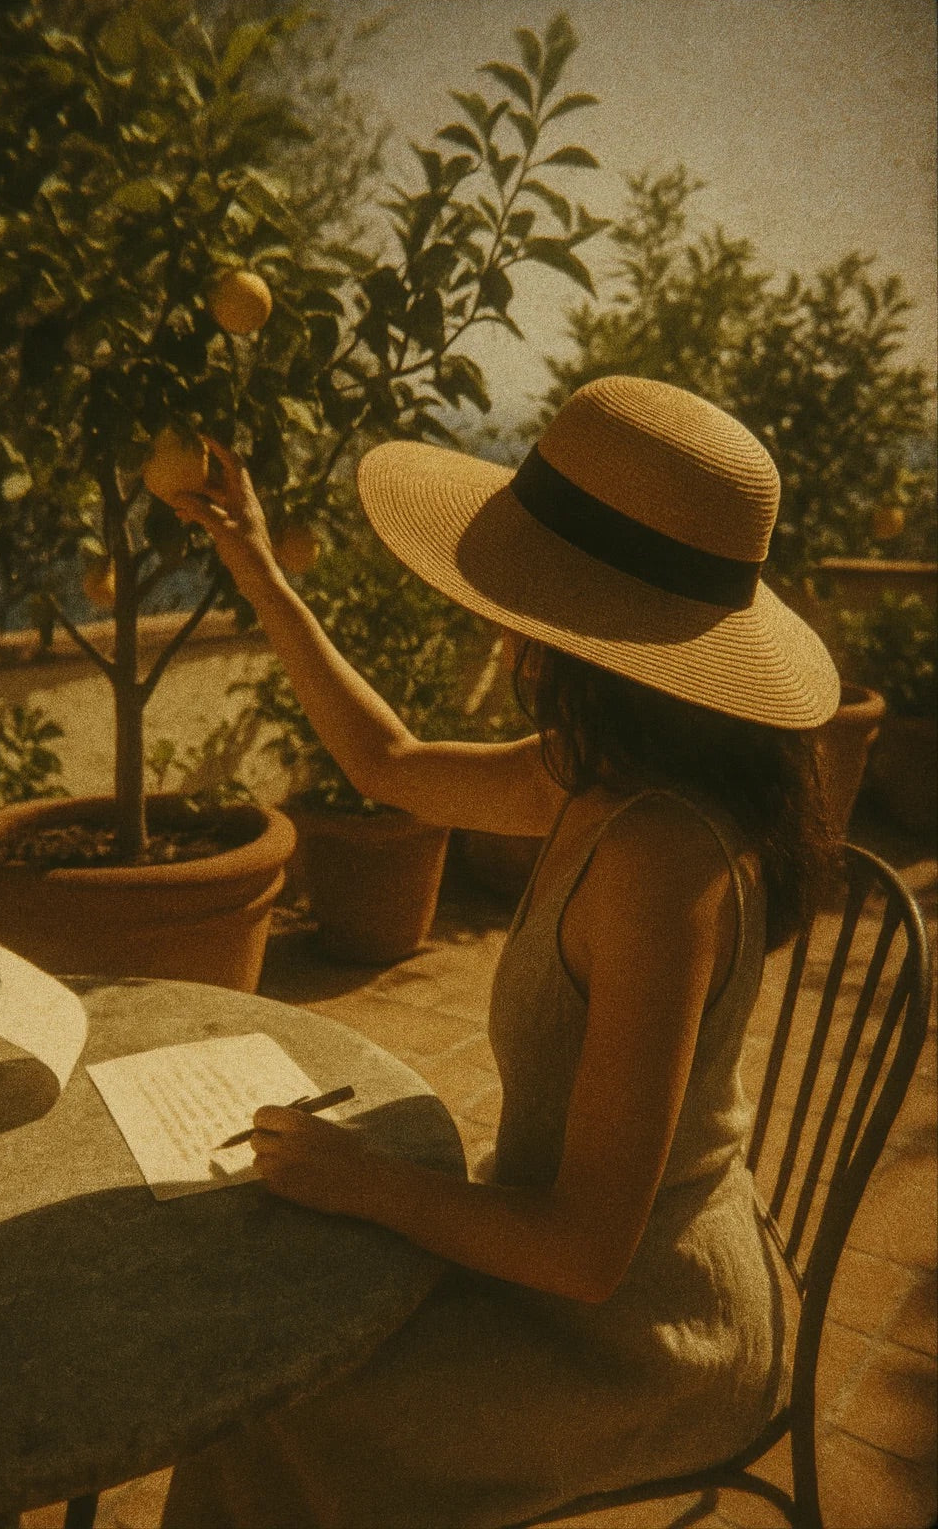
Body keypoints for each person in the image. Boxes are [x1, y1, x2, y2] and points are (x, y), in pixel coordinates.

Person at [159, 375, 841, 1529]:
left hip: (640, 1333)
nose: (501, 611)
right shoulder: (589, 771)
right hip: (558, 1267)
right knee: (264, 1356)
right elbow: (389, 763)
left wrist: (367, 1182)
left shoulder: (658, 859)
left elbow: (584, 1252)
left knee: (273, 1405)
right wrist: (263, 577)